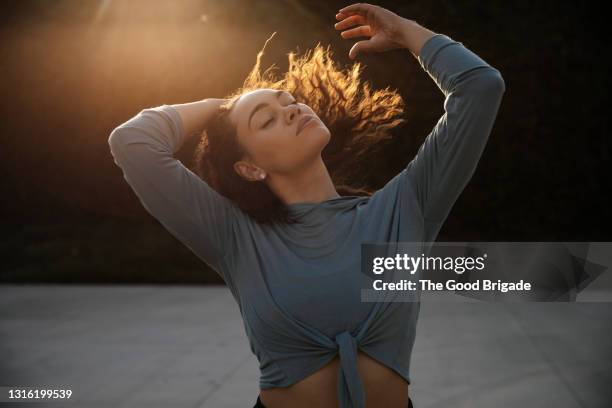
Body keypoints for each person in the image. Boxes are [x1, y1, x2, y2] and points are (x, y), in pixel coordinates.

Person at [108, 3, 505, 407]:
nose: (292, 109)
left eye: (288, 101)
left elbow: (479, 87)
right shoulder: (235, 236)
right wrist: (223, 106)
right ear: (249, 168)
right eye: (266, 119)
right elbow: (133, 143)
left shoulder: (402, 210)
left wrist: (406, 31)